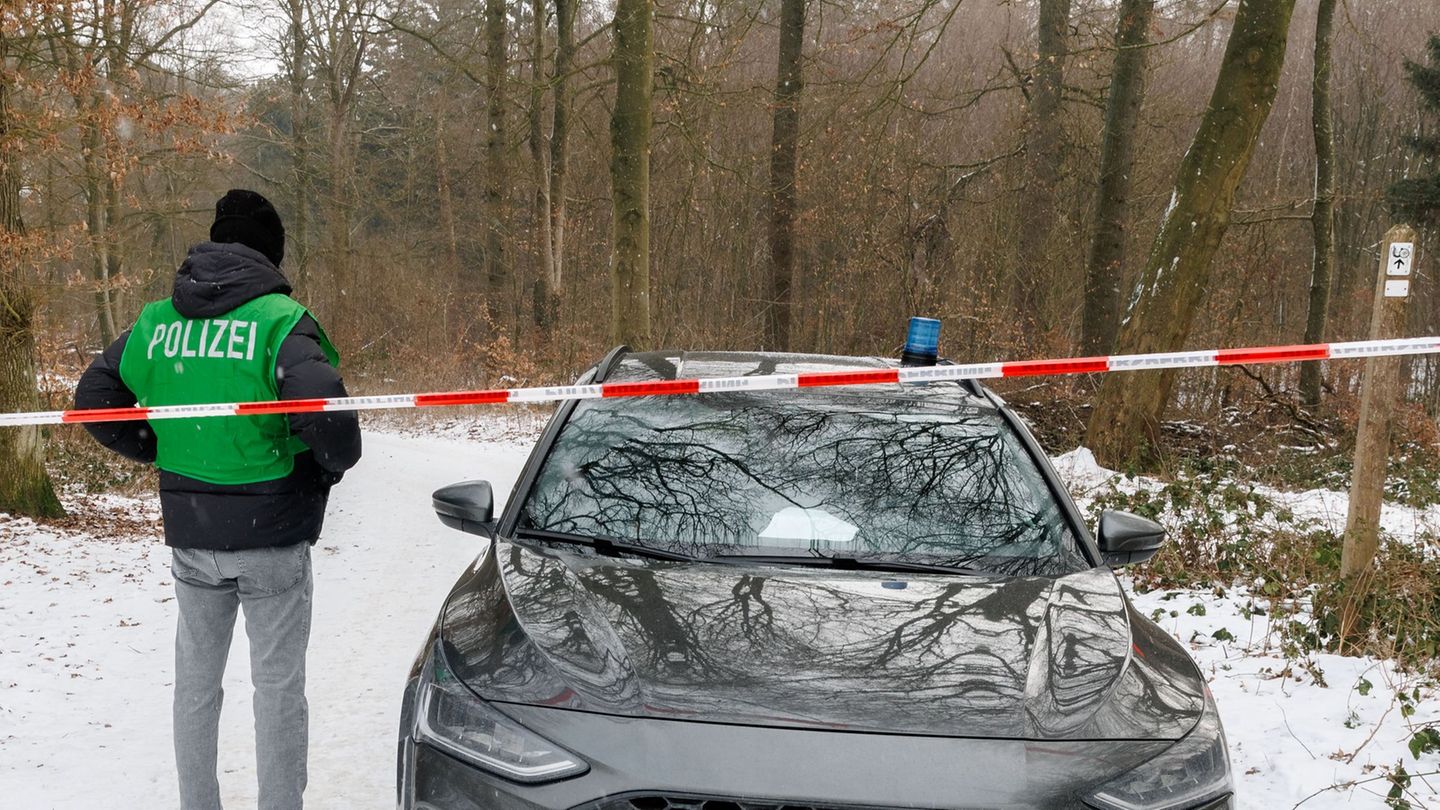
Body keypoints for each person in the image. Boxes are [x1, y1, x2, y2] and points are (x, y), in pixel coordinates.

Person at [75, 189, 362, 810]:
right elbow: (332, 420)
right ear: (270, 254)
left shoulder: (156, 323)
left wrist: (157, 448)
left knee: (196, 688)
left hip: (191, 533)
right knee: (278, 687)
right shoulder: (280, 321)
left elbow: (93, 400)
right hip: (273, 535)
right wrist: (320, 471)